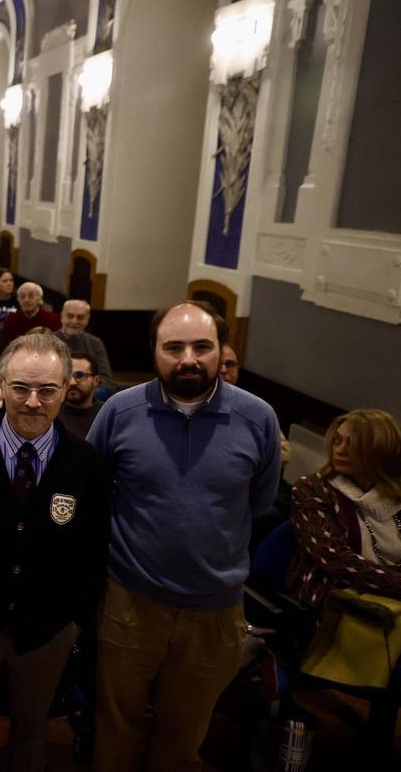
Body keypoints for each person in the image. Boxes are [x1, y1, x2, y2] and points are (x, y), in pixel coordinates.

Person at [87, 301, 281, 772]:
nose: (188, 358)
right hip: (130, 603)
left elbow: (258, 503)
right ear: (154, 351)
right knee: (115, 730)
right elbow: (94, 493)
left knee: (184, 738)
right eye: (173, 347)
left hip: (215, 613)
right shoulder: (119, 411)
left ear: (221, 350)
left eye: (202, 346)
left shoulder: (258, 419)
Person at [0, 333, 111, 772]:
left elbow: (93, 546)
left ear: (66, 389)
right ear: (2, 387)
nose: (33, 402)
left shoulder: (86, 463)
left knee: (32, 731)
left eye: (47, 390)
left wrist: (75, 618)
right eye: (20, 388)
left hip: (48, 626)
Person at [287, 409, 401, 616]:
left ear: (380, 449)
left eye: (352, 444)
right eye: (337, 441)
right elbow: (337, 561)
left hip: (390, 594)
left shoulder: (395, 494)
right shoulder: (312, 490)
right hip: (332, 595)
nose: (340, 450)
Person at [54, 300, 114, 393]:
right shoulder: (49, 342)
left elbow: (107, 380)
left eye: (80, 317)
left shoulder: (95, 343)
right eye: (70, 316)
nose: (74, 321)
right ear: (62, 316)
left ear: (87, 320)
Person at [0, 282, 62, 352]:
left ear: (40, 299)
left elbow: (58, 347)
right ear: (18, 300)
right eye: (22, 296)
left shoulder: (53, 319)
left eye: (31, 296)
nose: (26, 300)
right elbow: (5, 349)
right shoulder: (11, 320)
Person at [59, 353, 103, 439]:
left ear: (96, 380)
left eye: (80, 376)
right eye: (67, 375)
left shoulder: (106, 413)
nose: (72, 382)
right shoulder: (52, 412)